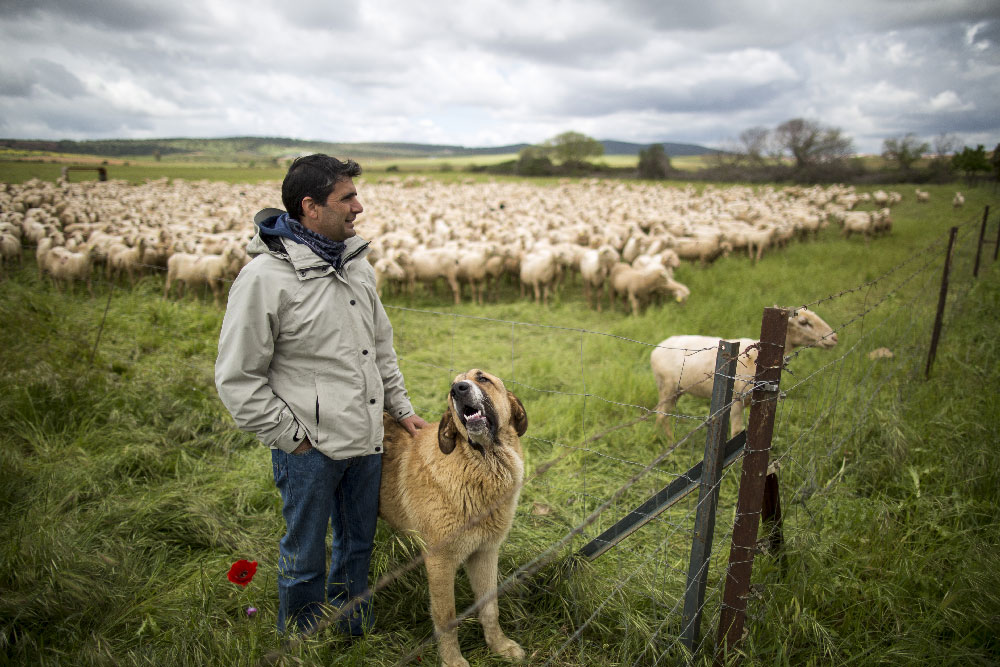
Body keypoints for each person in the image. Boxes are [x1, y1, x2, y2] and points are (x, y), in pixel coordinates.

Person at [215, 154, 428, 637]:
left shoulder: (357, 267)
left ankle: (353, 628)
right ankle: (303, 637)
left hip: (367, 438)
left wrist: (402, 410)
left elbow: (381, 349)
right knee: (304, 553)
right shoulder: (265, 279)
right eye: (347, 197)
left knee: (357, 547)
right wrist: (293, 437)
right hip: (309, 446)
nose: (359, 206)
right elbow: (237, 376)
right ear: (310, 206)